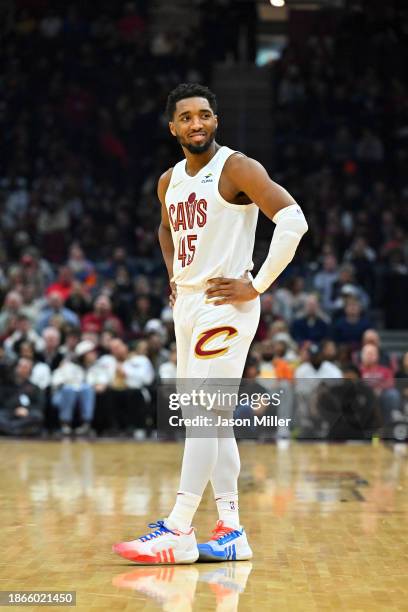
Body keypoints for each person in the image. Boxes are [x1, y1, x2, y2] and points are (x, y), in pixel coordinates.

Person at [113, 83, 308, 564]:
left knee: (201, 413)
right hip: (189, 304)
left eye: (204, 115)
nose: (196, 123)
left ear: (215, 121)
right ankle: (231, 530)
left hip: (227, 302)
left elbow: (293, 220)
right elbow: (165, 227)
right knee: (215, 422)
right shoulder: (169, 180)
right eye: (186, 117)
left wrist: (258, 284)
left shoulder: (237, 167)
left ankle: (179, 529)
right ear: (172, 127)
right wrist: (173, 271)